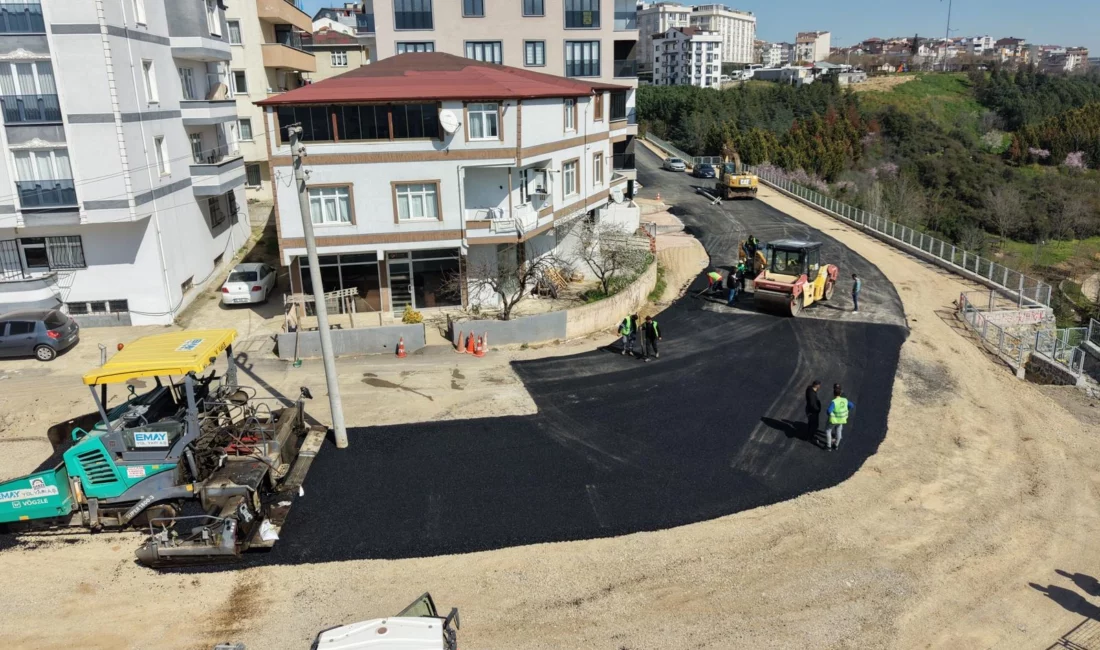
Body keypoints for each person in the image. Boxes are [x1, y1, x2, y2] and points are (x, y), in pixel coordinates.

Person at [825, 383, 854, 452]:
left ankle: (828, 446)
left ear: (833, 394)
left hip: (834, 420)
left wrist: (830, 414)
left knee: (828, 430)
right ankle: (836, 445)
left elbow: (829, 411)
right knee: (839, 431)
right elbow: (851, 405)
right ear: (840, 393)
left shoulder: (834, 401)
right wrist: (846, 410)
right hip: (842, 419)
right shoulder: (845, 400)